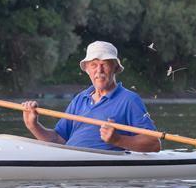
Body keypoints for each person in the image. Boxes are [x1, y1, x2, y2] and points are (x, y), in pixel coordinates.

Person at [22, 41, 161, 152]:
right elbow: (59, 140)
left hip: (99, 176)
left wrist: (117, 139)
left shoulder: (129, 100)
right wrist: (33, 125)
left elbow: (154, 143)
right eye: (93, 65)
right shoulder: (80, 99)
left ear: (115, 68)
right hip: (70, 165)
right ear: (87, 70)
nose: (98, 70)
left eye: (104, 64)